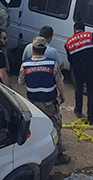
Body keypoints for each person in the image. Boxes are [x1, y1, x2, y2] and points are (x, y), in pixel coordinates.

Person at [19, 36, 70, 165]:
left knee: (34, 128)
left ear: (33, 49)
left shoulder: (25, 65)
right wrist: (62, 96)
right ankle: (58, 155)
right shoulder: (52, 64)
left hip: (32, 104)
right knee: (55, 126)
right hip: (49, 103)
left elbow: (20, 82)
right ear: (45, 49)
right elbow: (60, 82)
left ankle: (34, 154)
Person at [65, 22, 93, 125]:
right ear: (84, 29)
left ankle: (78, 111)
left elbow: (70, 60)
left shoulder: (68, 43)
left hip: (78, 71)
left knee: (78, 90)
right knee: (91, 93)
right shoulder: (91, 36)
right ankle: (91, 117)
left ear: (74, 29)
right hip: (91, 70)